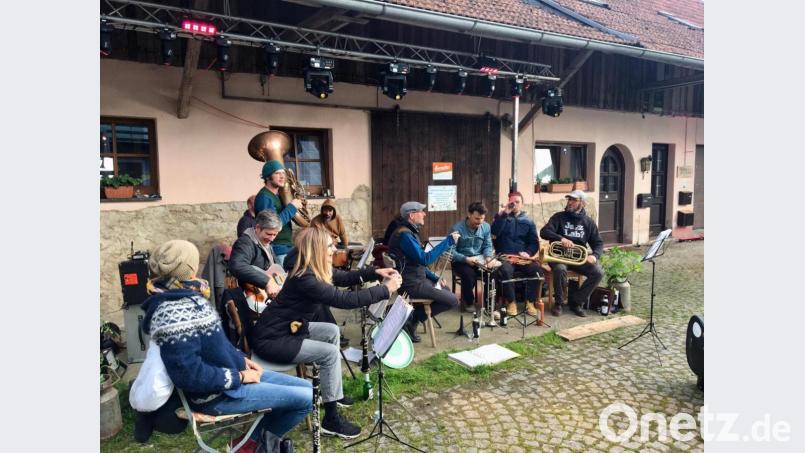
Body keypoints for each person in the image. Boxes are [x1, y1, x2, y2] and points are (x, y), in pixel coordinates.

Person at [141, 240, 311, 453]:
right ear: (189, 269)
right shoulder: (174, 313)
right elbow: (189, 374)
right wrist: (239, 377)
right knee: (306, 399)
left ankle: (251, 443)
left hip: (234, 376)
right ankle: (249, 446)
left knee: (307, 389)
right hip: (217, 394)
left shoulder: (189, 297)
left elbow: (218, 345)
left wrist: (244, 361)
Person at [251, 227, 402, 439]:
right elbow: (344, 301)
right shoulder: (307, 278)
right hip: (273, 339)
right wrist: (385, 290)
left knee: (331, 330)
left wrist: (374, 272)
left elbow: (341, 276)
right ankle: (331, 419)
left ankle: (332, 394)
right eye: (330, 246)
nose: (334, 249)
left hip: (288, 329)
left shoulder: (310, 266)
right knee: (329, 353)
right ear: (317, 249)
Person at [387, 201, 460, 343]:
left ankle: (411, 319)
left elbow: (416, 263)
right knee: (452, 300)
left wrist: (435, 278)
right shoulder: (405, 235)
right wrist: (448, 241)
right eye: (421, 211)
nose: (424, 214)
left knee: (445, 288)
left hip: (414, 279)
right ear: (412, 215)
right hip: (411, 285)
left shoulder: (406, 232)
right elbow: (425, 259)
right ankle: (412, 318)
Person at [540, 190, 604, 317]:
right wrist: (561, 239)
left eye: (573, 200)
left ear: (582, 203)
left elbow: (598, 243)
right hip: (558, 257)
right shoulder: (558, 217)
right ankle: (559, 303)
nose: (569, 202)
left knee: (598, 272)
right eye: (569, 199)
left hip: (577, 259)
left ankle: (576, 302)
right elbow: (544, 232)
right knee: (560, 269)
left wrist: (594, 256)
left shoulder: (589, 223)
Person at [491, 191, 542, 317]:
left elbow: (534, 242)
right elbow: (494, 232)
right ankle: (511, 302)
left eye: (517, 202)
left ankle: (530, 302)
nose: (514, 205)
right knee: (505, 270)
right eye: (512, 202)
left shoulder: (529, 221)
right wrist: (504, 214)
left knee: (536, 270)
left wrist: (528, 252)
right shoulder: (500, 217)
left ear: (522, 204)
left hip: (522, 257)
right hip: (505, 257)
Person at [254, 159, 303, 265]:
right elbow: (272, 225)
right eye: (277, 173)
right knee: (282, 281)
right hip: (277, 248)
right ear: (267, 177)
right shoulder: (264, 197)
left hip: (285, 246)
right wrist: (292, 207)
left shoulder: (276, 196)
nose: (282, 176)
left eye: (283, 173)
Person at [450, 201, 495, 313]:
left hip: (480, 259)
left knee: (492, 272)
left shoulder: (486, 227)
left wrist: (488, 258)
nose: (479, 222)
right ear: (469, 215)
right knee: (469, 274)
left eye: (482, 219)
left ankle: (488, 304)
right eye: (476, 219)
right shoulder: (456, 228)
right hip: (462, 260)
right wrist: (465, 259)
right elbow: (450, 251)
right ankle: (468, 302)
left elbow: (487, 245)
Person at [229, 209, 283, 300]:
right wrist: (267, 282)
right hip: (251, 297)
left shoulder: (265, 242)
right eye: (269, 234)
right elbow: (237, 265)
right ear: (257, 228)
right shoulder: (244, 243)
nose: (272, 239)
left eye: (275, 235)